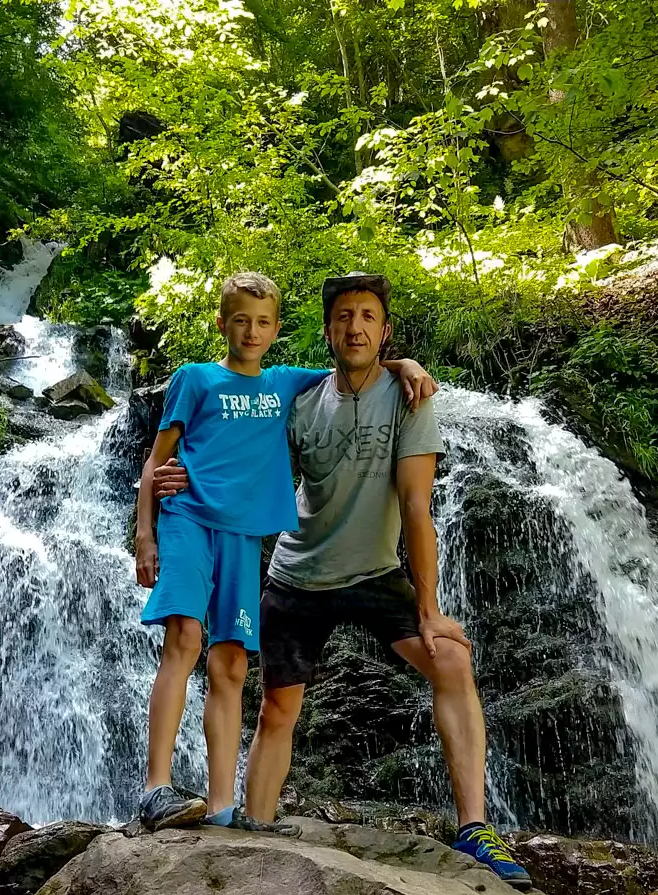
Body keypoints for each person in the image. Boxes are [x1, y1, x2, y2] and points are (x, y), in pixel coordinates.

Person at [155, 272, 531, 888]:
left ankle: (475, 829)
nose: (354, 326)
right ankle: (251, 831)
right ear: (327, 330)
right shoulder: (298, 399)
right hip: (297, 574)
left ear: (384, 331)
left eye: (367, 316)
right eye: (343, 317)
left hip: (376, 573)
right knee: (278, 708)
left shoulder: (411, 397)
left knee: (453, 663)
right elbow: (235, 444)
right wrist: (171, 479)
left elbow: (416, 507)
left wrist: (431, 609)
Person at [135, 271, 436, 833]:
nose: (251, 331)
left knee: (230, 663)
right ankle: (156, 787)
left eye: (263, 322)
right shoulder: (194, 379)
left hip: (245, 538)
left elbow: (356, 363)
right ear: (222, 324)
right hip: (187, 521)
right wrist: (145, 535)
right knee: (185, 638)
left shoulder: (284, 384)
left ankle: (223, 806)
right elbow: (157, 461)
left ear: (276, 329)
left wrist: (406, 365)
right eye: (241, 320)